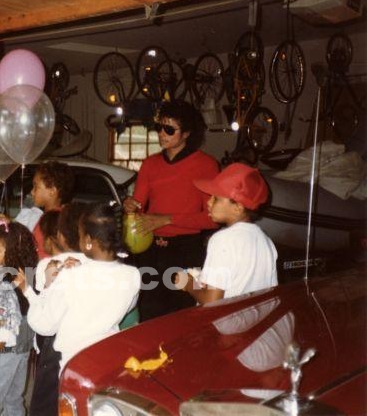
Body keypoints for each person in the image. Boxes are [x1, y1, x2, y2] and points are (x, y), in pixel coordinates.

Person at [122, 99, 219, 321]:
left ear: (186, 134)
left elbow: (212, 219)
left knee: (181, 317)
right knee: (148, 315)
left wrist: (167, 219)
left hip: (185, 250)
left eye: (169, 129)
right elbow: (138, 206)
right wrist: (130, 206)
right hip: (150, 250)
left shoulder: (206, 165)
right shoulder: (150, 164)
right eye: (159, 127)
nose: (161, 134)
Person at [16, 202, 140, 372]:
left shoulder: (70, 276)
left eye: (80, 234)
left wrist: (33, 289)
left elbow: (44, 325)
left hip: (76, 365)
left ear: (88, 240)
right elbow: (126, 307)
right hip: (108, 358)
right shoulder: (132, 274)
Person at [175, 163, 277, 304]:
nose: (209, 202)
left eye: (216, 199)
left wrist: (188, 284)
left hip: (228, 317)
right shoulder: (266, 241)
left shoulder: (222, 239)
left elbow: (212, 300)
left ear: (238, 207)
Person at [29, 204, 86, 416]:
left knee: (45, 399)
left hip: (53, 342)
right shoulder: (90, 263)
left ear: (57, 238)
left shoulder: (46, 265)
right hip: (81, 340)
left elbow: (42, 313)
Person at [0, 221, 37, 416]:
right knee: (13, 397)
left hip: (4, 350)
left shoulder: (6, 281)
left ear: (12, 252)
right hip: (20, 347)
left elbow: (10, 323)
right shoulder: (20, 275)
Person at [13, 161, 75, 260]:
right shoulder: (46, 216)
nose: (32, 192)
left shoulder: (55, 221)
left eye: (36, 186)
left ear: (52, 191)